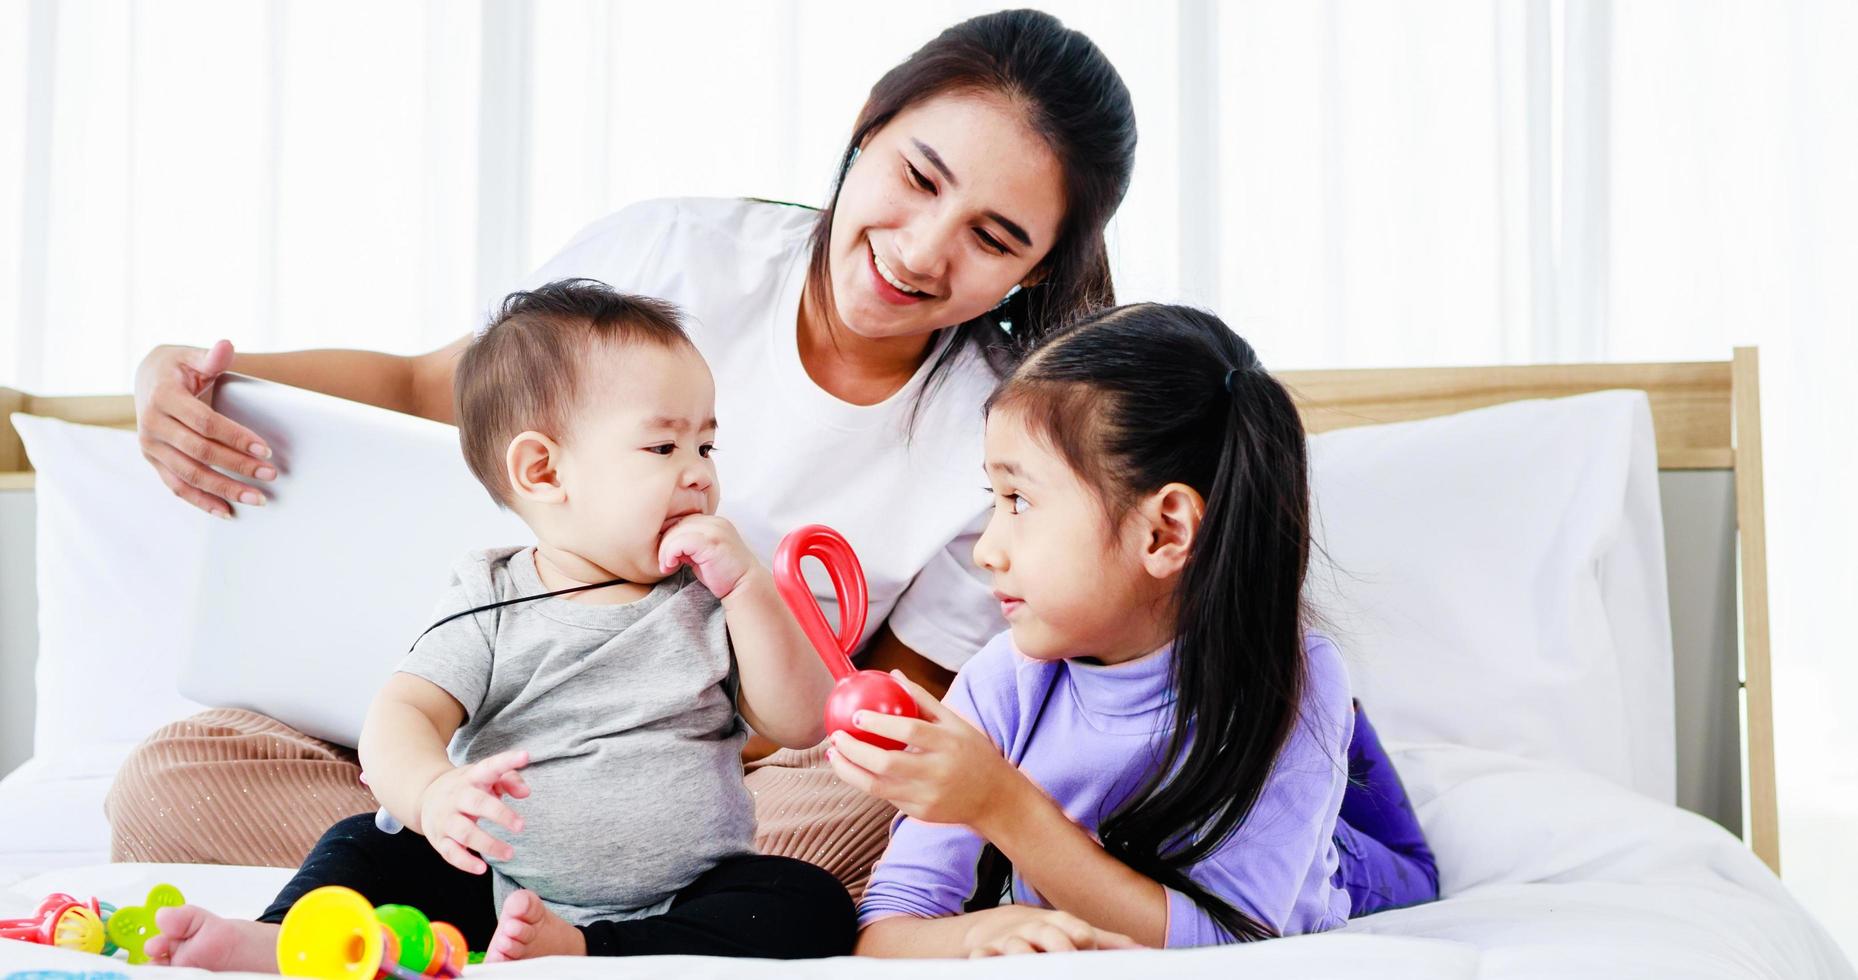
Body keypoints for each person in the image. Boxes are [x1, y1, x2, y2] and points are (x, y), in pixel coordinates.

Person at [108, 8, 1140, 897]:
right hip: (490, 735)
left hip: (704, 784)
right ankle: (565, 879)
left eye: (994, 236)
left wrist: (648, 759)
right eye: (917, 176)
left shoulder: (1000, 434)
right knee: (170, 782)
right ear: (868, 128)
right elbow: (433, 388)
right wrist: (180, 373)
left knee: (860, 809)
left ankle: (472, 873)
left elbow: (878, 720)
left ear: (1036, 271)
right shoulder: (676, 254)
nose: (921, 249)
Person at [146, 281, 854, 970]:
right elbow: (401, 714)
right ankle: (284, 939)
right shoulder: (490, 597)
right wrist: (430, 794)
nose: (699, 474)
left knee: (809, 901)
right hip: (497, 884)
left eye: (706, 447)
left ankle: (585, 953)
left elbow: (798, 723)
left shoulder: (708, 594)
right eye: (664, 449)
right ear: (543, 470)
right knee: (365, 843)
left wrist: (750, 590)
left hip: (685, 891)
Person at [829, 304, 1440, 957]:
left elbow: (1237, 938)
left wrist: (1001, 805)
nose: (987, 550)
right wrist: (977, 930)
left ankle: (1345, 743)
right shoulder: (1002, 684)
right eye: (993, 499)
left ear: (1164, 531)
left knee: (1404, 870)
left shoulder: (1296, 677)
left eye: (1020, 501)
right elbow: (885, 932)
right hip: (1188, 792)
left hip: (1334, 852)